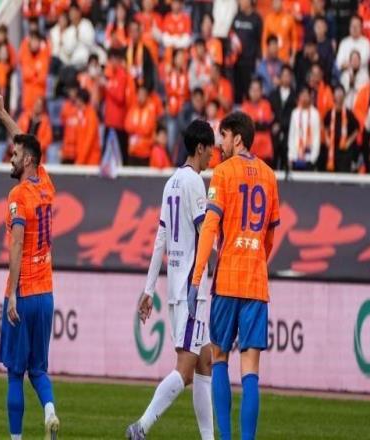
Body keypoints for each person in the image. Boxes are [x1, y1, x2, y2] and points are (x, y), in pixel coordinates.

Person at [188, 111, 280, 440]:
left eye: (224, 137)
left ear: (237, 138)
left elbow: (210, 228)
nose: (220, 145)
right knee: (251, 368)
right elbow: (270, 237)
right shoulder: (269, 176)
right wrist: (257, 259)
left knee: (219, 358)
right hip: (256, 281)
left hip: (227, 279)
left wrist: (197, 277)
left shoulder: (223, 173)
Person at [126, 119, 215, 440]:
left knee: (205, 363)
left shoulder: (171, 183)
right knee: (186, 369)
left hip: (177, 287)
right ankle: (141, 426)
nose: (212, 156)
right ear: (200, 148)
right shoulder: (194, 182)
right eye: (210, 150)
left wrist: (149, 289)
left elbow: (161, 239)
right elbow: (206, 231)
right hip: (192, 289)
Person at [0, 91, 60, 440]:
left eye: (15, 156)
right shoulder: (45, 183)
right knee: (39, 370)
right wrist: (2, 113)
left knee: (15, 373)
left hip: (24, 293)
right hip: (46, 295)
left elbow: (16, 244)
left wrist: (12, 294)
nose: (11, 158)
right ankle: (50, 412)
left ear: (27, 160)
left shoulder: (18, 196)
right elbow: (25, 141)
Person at [232, 0, 263, 103]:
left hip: (250, 62)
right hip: (236, 62)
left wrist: (258, 58)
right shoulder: (237, 17)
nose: (240, 2)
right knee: (237, 93)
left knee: (249, 92)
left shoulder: (257, 19)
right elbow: (232, 35)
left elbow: (260, 40)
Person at [324, 85, 360, 171]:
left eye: (341, 95)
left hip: (345, 151)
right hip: (332, 149)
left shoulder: (348, 113)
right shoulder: (329, 113)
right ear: (334, 97)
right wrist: (327, 139)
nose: (339, 98)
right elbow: (325, 126)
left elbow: (357, 128)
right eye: (337, 95)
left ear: (344, 97)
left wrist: (349, 142)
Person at [269, 64, 297, 170]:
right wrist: (273, 124)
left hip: (288, 136)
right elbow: (269, 114)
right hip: (274, 137)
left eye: (288, 75)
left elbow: (294, 116)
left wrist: (280, 125)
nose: (286, 78)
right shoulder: (272, 95)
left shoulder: (295, 96)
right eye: (284, 75)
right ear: (280, 77)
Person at [241, 78, 275, 165]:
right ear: (249, 91)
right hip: (250, 149)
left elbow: (265, 124)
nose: (255, 93)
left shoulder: (266, 104)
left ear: (261, 91)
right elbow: (244, 126)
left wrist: (253, 124)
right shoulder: (245, 106)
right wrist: (255, 123)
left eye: (257, 90)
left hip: (264, 149)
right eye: (253, 90)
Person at [288, 86, 321, 170]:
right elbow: (291, 136)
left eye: (306, 95)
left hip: (309, 158)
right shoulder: (295, 113)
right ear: (299, 97)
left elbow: (317, 137)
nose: (304, 98)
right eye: (302, 95)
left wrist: (313, 158)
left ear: (310, 97)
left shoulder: (315, 114)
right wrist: (291, 156)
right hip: (296, 157)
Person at [125, 85, 158, 166]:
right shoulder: (133, 109)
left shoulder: (151, 110)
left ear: (146, 96)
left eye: (142, 95)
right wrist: (139, 130)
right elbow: (127, 126)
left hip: (145, 153)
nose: (140, 97)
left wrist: (135, 130)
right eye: (139, 94)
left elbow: (148, 129)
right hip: (132, 151)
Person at [17, 96, 53, 162]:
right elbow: (17, 131)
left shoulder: (46, 121)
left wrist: (35, 147)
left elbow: (48, 139)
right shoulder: (24, 116)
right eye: (36, 104)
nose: (37, 107)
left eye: (40, 105)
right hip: (22, 151)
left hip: (37, 155)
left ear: (43, 108)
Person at [262, 0, 298, 65]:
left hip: (285, 58)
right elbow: (264, 39)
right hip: (271, 58)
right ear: (272, 4)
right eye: (274, 2)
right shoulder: (268, 19)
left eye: (278, 2)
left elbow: (294, 39)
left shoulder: (289, 18)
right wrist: (264, 55)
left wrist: (293, 56)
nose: (276, 4)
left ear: (282, 3)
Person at [74, 88, 101, 165]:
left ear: (80, 100)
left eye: (76, 99)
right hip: (83, 158)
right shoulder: (82, 114)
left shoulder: (91, 115)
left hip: (91, 160)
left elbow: (89, 139)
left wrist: (81, 160)